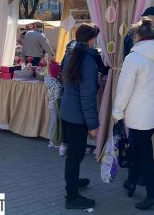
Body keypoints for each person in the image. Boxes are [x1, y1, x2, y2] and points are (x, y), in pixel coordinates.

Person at [113, 18, 154, 211]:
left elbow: (124, 89)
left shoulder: (133, 59)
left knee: (144, 154)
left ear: (137, 36)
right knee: (138, 150)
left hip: (138, 114)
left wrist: (118, 111)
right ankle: (131, 181)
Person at [60, 23, 101, 210]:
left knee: (73, 154)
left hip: (68, 112)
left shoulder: (70, 54)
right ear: (91, 39)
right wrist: (93, 124)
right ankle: (72, 197)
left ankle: (74, 182)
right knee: (75, 156)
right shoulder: (87, 60)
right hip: (77, 116)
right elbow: (87, 96)